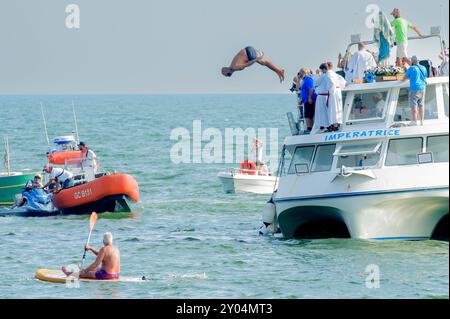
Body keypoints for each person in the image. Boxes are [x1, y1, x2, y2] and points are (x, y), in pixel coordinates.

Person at [403, 55, 428, 126]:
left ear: (412, 61)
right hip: (423, 87)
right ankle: (422, 121)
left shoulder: (412, 68)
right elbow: (425, 76)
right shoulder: (423, 67)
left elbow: (405, 77)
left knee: (414, 105)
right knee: (421, 105)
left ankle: (414, 121)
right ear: (419, 61)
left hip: (414, 88)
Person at [298, 68, 317, 133]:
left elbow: (311, 89)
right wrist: (301, 99)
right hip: (305, 100)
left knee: (308, 115)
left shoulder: (308, 79)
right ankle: (310, 128)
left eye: (300, 73)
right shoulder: (304, 80)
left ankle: (309, 129)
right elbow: (301, 89)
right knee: (307, 115)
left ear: (304, 73)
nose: (299, 74)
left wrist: (309, 98)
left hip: (309, 100)